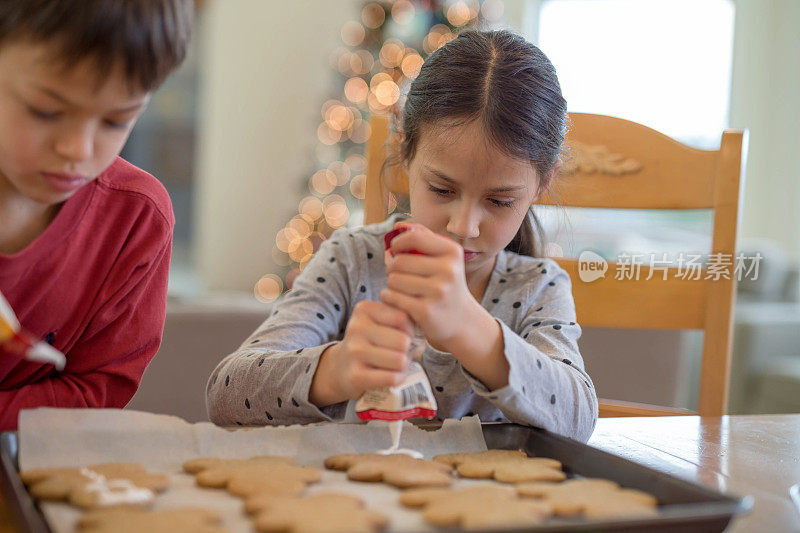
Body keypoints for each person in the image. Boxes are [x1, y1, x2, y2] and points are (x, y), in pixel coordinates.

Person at [207, 29, 598, 441]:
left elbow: (579, 417)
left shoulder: (538, 287)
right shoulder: (352, 260)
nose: (463, 227)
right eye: (442, 190)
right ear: (406, 153)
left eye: (500, 201)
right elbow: (226, 394)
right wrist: (336, 371)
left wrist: (471, 330)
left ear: (540, 185)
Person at [0, 0, 194, 430]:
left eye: (116, 121)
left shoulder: (134, 222)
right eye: (45, 111)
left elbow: (95, 394)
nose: (78, 150)